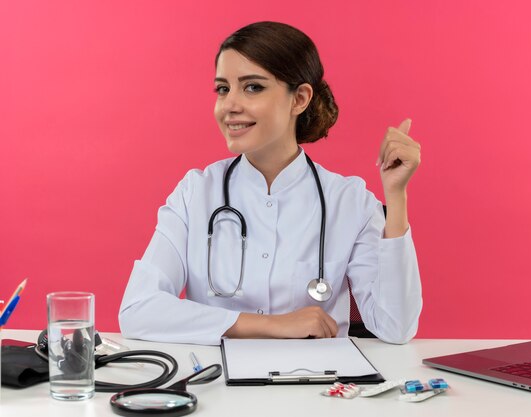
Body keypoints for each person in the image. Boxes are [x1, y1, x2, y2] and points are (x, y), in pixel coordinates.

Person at [119, 21, 422, 345]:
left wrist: (396, 194)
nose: (230, 105)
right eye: (223, 88)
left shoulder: (349, 201)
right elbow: (138, 309)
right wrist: (273, 325)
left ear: (299, 98)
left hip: (317, 388)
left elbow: (396, 327)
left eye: (252, 87)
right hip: (217, 387)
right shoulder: (195, 193)